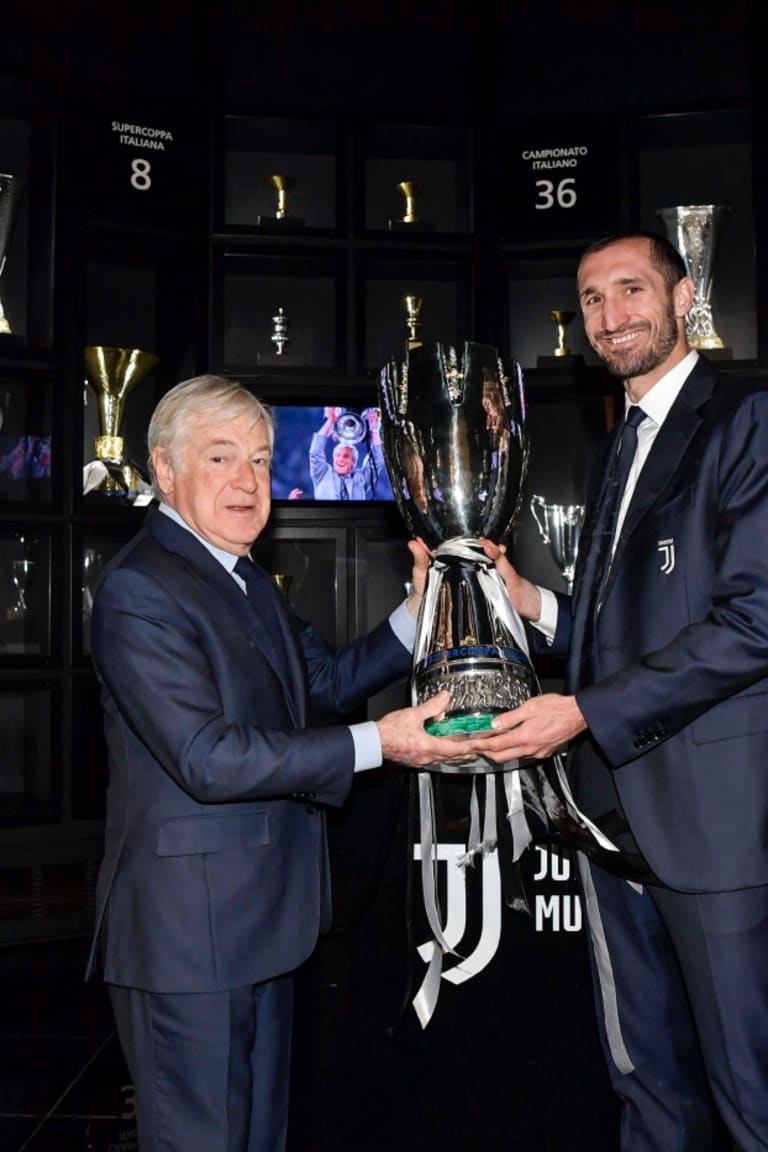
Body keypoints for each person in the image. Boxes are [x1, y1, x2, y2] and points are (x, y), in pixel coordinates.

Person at [84, 374, 473, 1152]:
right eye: (221, 457)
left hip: (262, 922)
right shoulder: (140, 590)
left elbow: (324, 680)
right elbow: (206, 758)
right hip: (189, 939)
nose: (247, 482)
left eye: (260, 461)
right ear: (165, 470)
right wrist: (382, 743)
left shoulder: (241, 576)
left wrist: (420, 604)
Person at [469, 232, 768, 1150]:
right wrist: (533, 606)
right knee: (647, 1087)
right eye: (592, 300)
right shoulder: (618, 446)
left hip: (711, 820)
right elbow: (623, 632)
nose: (611, 316)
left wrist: (587, 711)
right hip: (611, 816)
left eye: (632, 290)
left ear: (684, 301)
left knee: (751, 1093)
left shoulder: (744, 421)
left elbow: (754, 619)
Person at [308, 405, 384, 500]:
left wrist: (374, 430)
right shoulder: (322, 473)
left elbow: (377, 461)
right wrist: (330, 420)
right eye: (337, 455)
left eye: (346, 456)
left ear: (354, 463)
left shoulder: (361, 479)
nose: (340, 459)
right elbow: (315, 451)